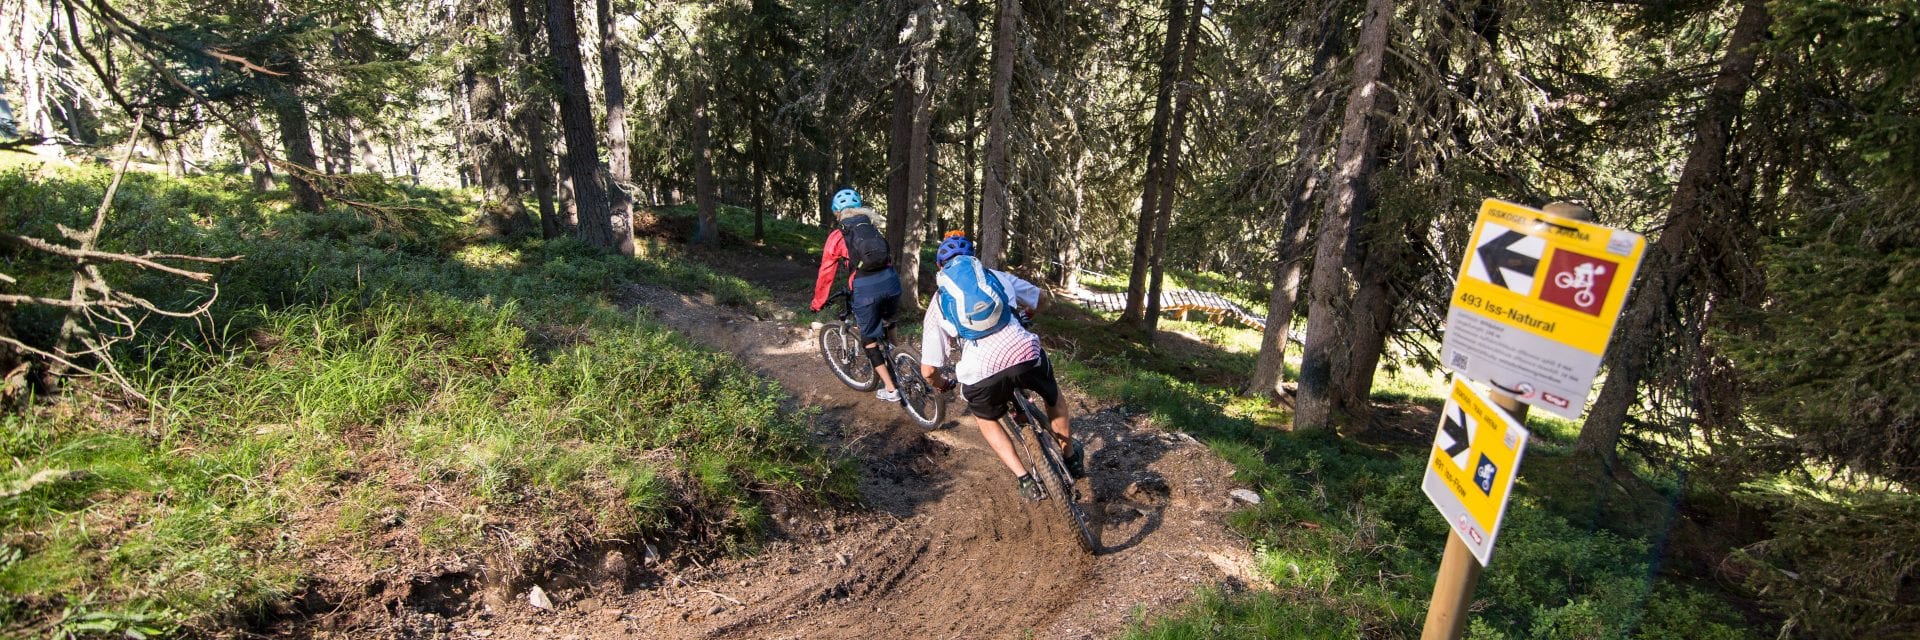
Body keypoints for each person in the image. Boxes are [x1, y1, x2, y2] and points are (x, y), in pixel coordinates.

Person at [919, 232, 1085, 501]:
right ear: (972, 258)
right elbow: (1042, 299)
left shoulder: (938, 302)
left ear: (941, 267)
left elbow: (928, 370)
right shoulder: (996, 276)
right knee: (1052, 395)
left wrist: (943, 384)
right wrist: (1025, 316)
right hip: (1024, 353)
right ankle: (1070, 458)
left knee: (986, 419)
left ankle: (1024, 479)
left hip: (980, 371)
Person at [810, 187, 903, 402]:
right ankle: (898, 354)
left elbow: (826, 273)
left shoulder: (837, 236)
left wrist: (818, 303)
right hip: (891, 282)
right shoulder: (871, 227)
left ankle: (891, 389)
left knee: (868, 339)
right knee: (888, 321)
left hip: (866, 288)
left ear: (837, 212)